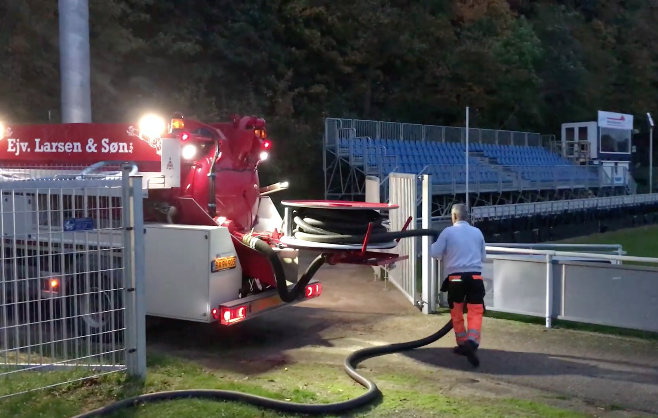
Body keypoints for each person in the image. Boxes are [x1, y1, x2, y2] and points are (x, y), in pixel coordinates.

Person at [429, 203, 487, 367]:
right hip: (475, 277)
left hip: (456, 279)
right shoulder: (477, 232)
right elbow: (483, 257)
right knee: (476, 310)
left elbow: (434, 253)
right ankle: (472, 341)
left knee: (457, 311)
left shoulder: (448, 232)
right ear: (467, 217)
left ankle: (462, 343)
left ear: (453, 217)